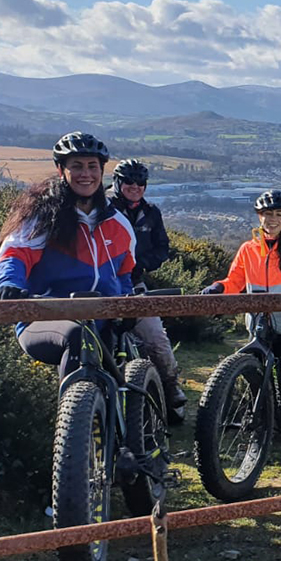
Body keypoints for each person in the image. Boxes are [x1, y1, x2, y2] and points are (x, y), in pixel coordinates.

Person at [0, 131, 137, 380]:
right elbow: (15, 254)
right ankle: (73, 417)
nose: (86, 174)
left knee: (133, 363)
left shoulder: (119, 223)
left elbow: (124, 273)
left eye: (93, 166)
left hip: (102, 320)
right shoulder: (42, 217)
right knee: (77, 336)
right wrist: (9, 284)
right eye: (76, 166)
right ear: (61, 171)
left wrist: (127, 303)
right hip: (44, 318)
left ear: (102, 172)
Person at [200, 191, 281, 478]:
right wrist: (219, 287)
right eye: (267, 214)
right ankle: (260, 432)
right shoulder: (248, 249)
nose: (272, 219)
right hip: (259, 328)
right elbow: (235, 281)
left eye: (279, 214)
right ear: (259, 217)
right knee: (256, 381)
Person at [108, 158, 187, 421]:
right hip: (102, 287)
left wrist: (140, 263)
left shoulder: (151, 212)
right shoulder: (102, 207)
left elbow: (162, 248)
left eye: (140, 182)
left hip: (134, 283)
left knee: (156, 339)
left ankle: (171, 388)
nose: (134, 186)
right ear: (117, 182)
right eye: (128, 181)